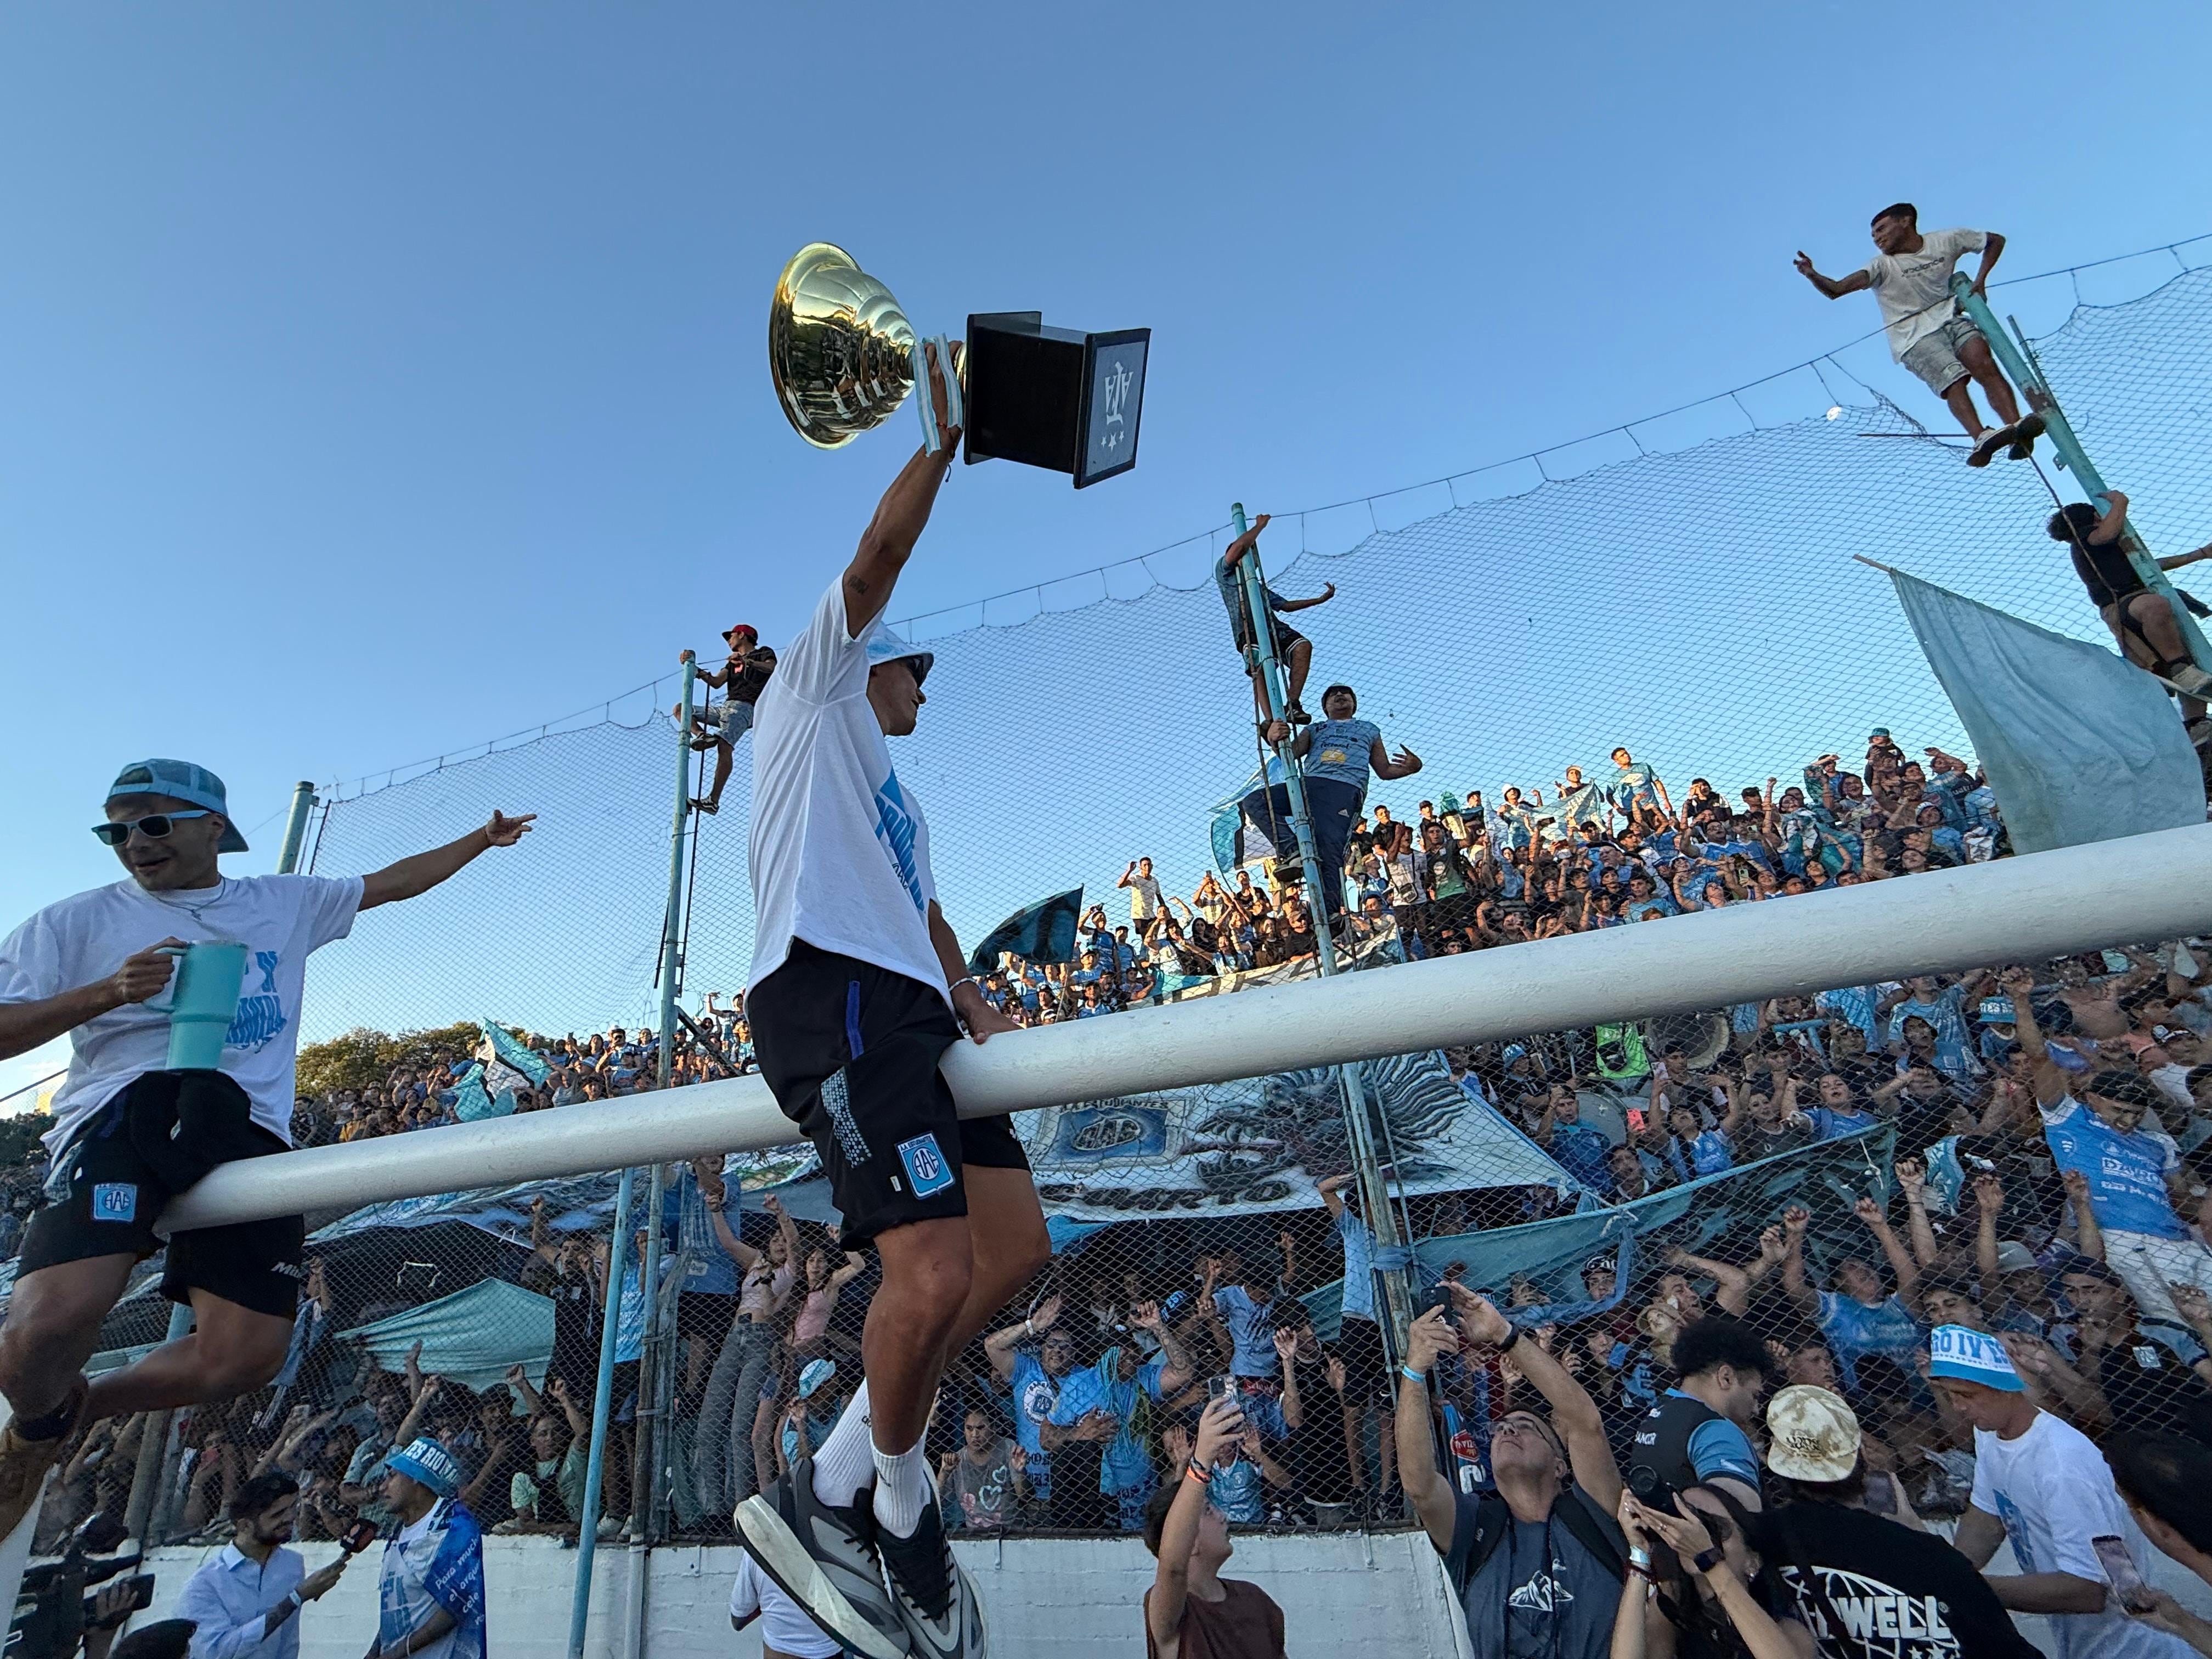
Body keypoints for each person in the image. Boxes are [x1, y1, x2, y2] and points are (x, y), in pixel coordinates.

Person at [0, 760, 534, 1538]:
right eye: (116, 829)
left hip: (248, 1128)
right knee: (48, 1325)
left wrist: (480, 841)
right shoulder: (72, 922)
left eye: (153, 823)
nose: (133, 843)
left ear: (212, 825)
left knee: (245, 1359)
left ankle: (85, 1406)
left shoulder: (282, 902)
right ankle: (33, 1433)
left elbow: (393, 884)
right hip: (125, 1110)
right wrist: (106, 994)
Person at [733, 347, 1049, 1659]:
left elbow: (922, 906)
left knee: (1015, 1250)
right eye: (916, 668)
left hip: (909, 1007)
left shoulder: (895, 795)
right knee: (928, 1268)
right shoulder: (810, 692)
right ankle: (875, 1500)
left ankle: (855, 1471)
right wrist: (948, 438)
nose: (926, 685)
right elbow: (874, 564)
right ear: (876, 665)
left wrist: (973, 998)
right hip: (831, 999)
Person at [1929, 1325, 2193, 1659]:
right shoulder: (1990, 1434)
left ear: (2006, 1387)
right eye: (1951, 1395)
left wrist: (1965, 1587)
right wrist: (1948, 1569)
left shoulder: (2062, 1462)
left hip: (2137, 1647)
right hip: (2086, 1644)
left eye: (1967, 1395)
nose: (1957, 1408)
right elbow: (1988, 1514)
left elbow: (2089, 1591)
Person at [1401, 1284, 1627, 1659]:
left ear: (1561, 1466)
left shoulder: (1594, 1513)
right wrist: (1414, 1371)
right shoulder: (1476, 1529)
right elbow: (1420, 1485)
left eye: (1526, 1426)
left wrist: (1505, 1335)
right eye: (1502, 1428)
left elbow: (1585, 1423)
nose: (1507, 1430)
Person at [1749, 1384, 2042, 1659]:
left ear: (1781, 1469)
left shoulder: (1758, 1542)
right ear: (1862, 1455)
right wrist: (1920, 1535)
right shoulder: (1928, 1556)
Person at [1793, 205, 2038, 467]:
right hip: (1912, 335)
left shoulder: (1945, 241)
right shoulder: (1882, 266)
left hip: (1950, 317)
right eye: (1873, 235)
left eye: (1882, 229)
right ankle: (1980, 437)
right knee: (1954, 379)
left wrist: (1981, 281)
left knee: (1983, 362)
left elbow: (1995, 241)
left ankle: (2017, 427)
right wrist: (1812, 274)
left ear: (1906, 222)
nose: (1877, 238)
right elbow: (1837, 289)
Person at [1251, 685, 1422, 921]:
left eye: (1346, 694)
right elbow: (1291, 752)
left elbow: (1384, 770)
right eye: (1333, 696)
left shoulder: (1368, 729)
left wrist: (1412, 768)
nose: (1339, 697)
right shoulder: (1315, 729)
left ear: (1354, 704)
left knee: (1329, 849)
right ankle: (1292, 850)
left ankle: (1331, 913)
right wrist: (1272, 738)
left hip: (1344, 788)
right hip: (1309, 783)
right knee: (1257, 801)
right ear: (1325, 707)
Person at [2045, 493, 2212, 733]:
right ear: (2094, 517)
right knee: (2154, 608)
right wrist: (2120, 502)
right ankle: (2180, 668)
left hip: (2136, 602)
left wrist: (2200, 554)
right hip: (2123, 605)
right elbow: (2107, 532)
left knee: (2184, 648)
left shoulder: (2106, 547)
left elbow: (2149, 565)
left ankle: (2196, 722)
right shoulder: (2086, 539)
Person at [1141, 1396, 1288, 1659]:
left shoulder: (1256, 1600)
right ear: (1189, 1542)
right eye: (1208, 1511)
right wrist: (1201, 1460)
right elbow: (1173, 1567)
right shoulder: (1170, 1612)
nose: (1222, 1517)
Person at [171, 1471, 351, 1658]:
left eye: (293, 1508)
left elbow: (288, 1640)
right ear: (245, 1527)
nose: (290, 1518)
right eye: (278, 1514)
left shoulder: (292, 1564)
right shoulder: (203, 1586)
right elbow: (219, 1653)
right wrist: (296, 1597)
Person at [1626, 1316, 1769, 1510]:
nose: (1756, 1409)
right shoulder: (1718, 1431)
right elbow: (1741, 1521)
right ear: (1726, 1378)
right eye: (1754, 1395)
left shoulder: (1657, 1415)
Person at [1212, 512, 1335, 726]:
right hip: (1248, 629)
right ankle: (1271, 721)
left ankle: (1292, 703)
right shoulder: (1226, 573)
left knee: (1303, 647)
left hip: (1275, 629)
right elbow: (1238, 550)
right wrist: (1261, 526)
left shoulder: (1259, 588)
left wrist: (1318, 600)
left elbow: (1285, 606)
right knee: (1258, 664)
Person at [371, 1438, 486, 1659]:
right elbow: (397, 1607)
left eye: (392, 1476)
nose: (382, 1487)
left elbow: (457, 1606)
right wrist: (375, 1652)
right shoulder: (397, 1534)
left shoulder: (453, 1527)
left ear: (416, 1478)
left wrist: (397, 1652)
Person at [684, 623, 779, 815]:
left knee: (725, 745)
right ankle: (702, 735)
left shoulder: (763, 653)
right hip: (727, 708)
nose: (729, 641)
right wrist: (696, 669)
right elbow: (717, 682)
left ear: (742, 635)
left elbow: (772, 668)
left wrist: (747, 663)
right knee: (682, 710)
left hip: (746, 707)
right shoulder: (731, 663)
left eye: (731, 636)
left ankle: (713, 800)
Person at [730, 1548, 845, 1659]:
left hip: (780, 1654)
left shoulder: (756, 1549)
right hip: (830, 1652)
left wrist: (769, 1601)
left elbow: (738, 1620)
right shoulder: (837, 1549)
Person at [939, 1408, 1028, 1533]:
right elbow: (938, 1501)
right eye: (969, 1429)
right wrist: (944, 1473)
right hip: (975, 1533)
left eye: (981, 1428)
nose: (975, 1435)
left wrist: (1020, 1472)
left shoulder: (1008, 1447)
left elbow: (1023, 1496)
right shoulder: (958, 1460)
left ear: (993, 1428)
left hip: (1011, 1530)